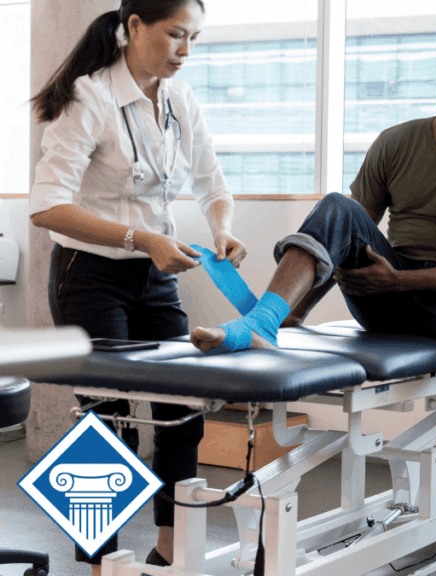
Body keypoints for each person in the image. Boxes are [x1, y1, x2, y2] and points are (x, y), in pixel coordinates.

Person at [189, 54, 436, 574]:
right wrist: (298, 314)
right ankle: (266, 321)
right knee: (337, 203)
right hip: (381, 286)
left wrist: (401, 281)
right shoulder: (397, 141)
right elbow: (340, 234)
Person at [29, 1, 246, 572]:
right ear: (133, 27)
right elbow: (48, 207)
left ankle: (170, 551)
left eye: (194, 39)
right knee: (108, 421)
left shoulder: (180, 101)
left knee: (182, 411)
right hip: (90, 276)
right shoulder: (89, 97)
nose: (186, 51)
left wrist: (222, 230)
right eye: (176, 35)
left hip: (155, 276)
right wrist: (140, 238)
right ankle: (101, 563)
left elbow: (212, 182)